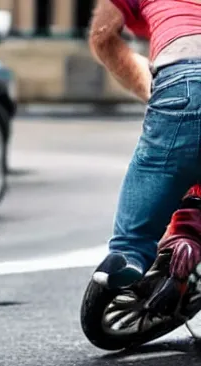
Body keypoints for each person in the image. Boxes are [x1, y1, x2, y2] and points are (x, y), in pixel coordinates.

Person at [88, 0, 201, 291]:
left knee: (155, 165)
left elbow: (103, 36)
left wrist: (164, 99)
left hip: (184, 79)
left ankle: (128, 255)